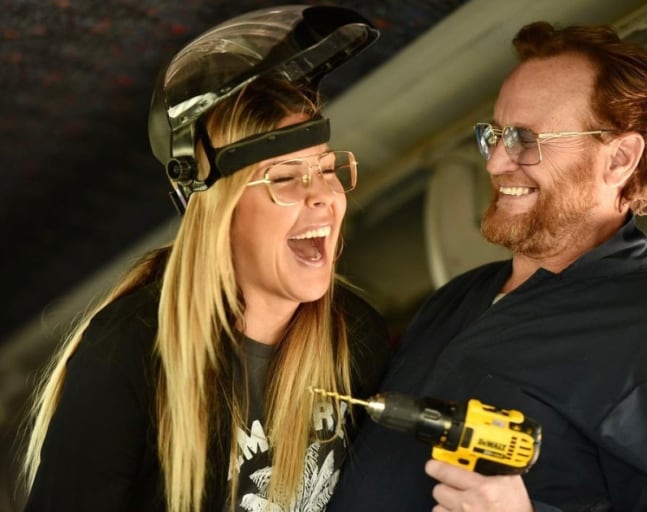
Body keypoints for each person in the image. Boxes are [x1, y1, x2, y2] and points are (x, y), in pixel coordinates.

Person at [327, 21, 647, 512]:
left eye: (526, 138)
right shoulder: (458, 298)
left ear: (620, 158)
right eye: (496, 134)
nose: (496, 162)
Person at [20, 5, 390, 512]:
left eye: (326, 169)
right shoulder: (130, 354)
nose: (323, 195)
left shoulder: (355, 338)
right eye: (284, 178)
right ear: (219, 214)